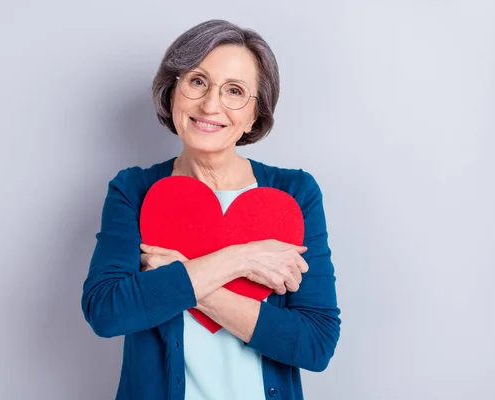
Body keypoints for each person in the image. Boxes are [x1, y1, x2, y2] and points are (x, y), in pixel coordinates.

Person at [81, 19, 341, 400]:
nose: (210, 104)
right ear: (173, 92)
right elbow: (106, 310)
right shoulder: (134, 190)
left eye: (235, 90)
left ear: (254, 115)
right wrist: (240, 259)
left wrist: (178, 278)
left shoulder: (294, 194)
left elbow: (315, 344)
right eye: (197, 81)